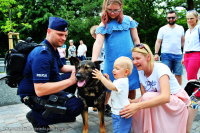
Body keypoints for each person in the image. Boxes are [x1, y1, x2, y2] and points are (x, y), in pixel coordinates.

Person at [18, 17, 84, 133]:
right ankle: (38, 117)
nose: (63, 38)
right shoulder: (43, 54)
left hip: (46, 85)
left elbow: (61, 67)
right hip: (33, 94)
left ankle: (59, 109)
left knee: (73, 77)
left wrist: (81, 69)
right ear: (49, 31)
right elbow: (40, 90)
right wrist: (70, 81)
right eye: (60, 34)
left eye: (65, 35)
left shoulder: (52, 48)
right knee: (77, 106)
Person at [119, 44, 191, 133]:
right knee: (139, 102)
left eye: (138, 58)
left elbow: (165, 97)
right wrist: (131, 102)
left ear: (148, 57)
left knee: (144, 101)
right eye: (133, 59)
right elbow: (144, 97)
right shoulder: (141, 72)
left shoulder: (161, 68)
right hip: (162, 102)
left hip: (177, 102)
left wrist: (137, 106)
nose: (134, 62)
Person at [91, 0, 140, 100]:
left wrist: (139, 52)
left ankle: (129, 108)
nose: (112, 13)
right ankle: (105, 109)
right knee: (108, 86)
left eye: (116, 10)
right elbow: (98, 43)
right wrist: (93, 61)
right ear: (105, 8)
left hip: (129, 60)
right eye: (110, 10)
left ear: (121, 7)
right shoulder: (103, 24)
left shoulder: (128, 20)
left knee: (130, 86)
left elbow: (136, 39)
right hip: (112, 61)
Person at [92, 56, 133, 133]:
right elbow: (114, 87)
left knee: (119, 130)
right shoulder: (121, 80)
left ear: (126, 72)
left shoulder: (121, 82)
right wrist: (108, 80)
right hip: (121, 112)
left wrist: (102, 78)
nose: (114, 70)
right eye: (114, 68)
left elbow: (111, 87)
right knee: (124, 130)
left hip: (119, 114)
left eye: (117, 69)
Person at [154, 10, 185, 85]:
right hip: (166, 54)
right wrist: (156, 53)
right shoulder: (162, 29)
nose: (171, 19)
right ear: (167, 18)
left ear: (176, 17)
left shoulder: (181, 28)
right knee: (165, 74)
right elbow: (158, 42)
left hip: (178, 55)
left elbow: (183, 42)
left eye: (173, 17)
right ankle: (167, 92)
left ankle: (178, 92)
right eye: (169, 18)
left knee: (178, 74)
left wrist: (185, 54)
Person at [90, 25, 111, 116]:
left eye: (93, 35)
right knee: (98, 87)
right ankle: (97, 103)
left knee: (107, 87)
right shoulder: (97, 44)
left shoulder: (106, 42)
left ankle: (105, 104)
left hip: (105, 67)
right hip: (99, 68)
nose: (93, 37)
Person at [182, 10, 200, 98]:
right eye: (188, 19)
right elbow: (186, 45)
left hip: (196, 54)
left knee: (191, 77)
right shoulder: (187, 30)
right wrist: (183, 56)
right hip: (187, 55)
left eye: (191, 18)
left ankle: (196, 95)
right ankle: (197, 93)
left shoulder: (199, 29)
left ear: (196, 18)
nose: (189, 20)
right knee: (191, 77)